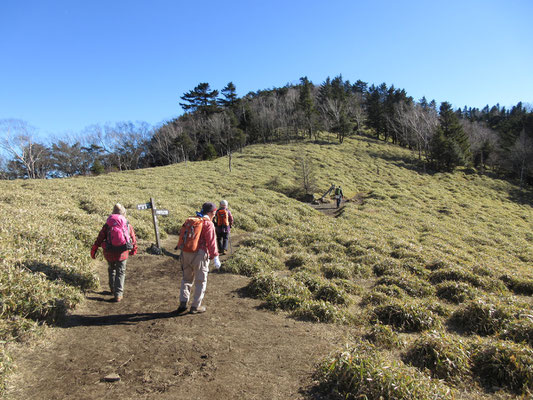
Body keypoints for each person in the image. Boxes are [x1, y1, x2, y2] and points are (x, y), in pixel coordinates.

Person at [176, 202, 220, 314]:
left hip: (186, 252)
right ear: (211, 212)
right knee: (200, 281)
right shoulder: (208, 224)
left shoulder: (193, 220)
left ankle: (183, 302)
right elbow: (211, 242)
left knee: (186, 279)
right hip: (200, 255)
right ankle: (195, 306)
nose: (214, 215)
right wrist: (215, 257)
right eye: (214, 213)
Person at [91, 203, 137, 302]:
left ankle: (112, 288)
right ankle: (118, 294)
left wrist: (94, 249)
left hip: (109, 251)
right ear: (123, 213)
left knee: (112, 269)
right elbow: (133, 238)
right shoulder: (127, 224)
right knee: (121, 272)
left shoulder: (108, 224)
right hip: (123, 252)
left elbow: (100, 237)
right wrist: (134, 249)